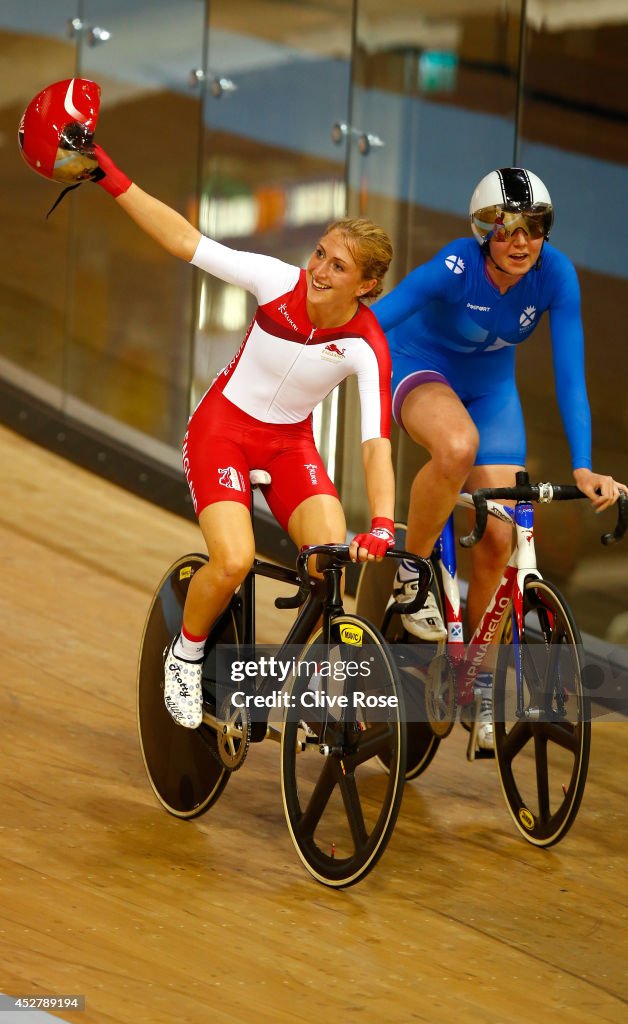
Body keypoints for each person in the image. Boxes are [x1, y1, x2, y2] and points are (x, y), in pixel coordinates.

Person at [87, 146, 398, 728]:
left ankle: (315, 688)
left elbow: (375, 443)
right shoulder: (276, 281)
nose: (318, 271)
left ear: (368, 285)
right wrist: (107, 172)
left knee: (329, 564)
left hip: (289, 447)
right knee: (234, 561)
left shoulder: (366, 345)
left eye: (338, 267)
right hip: (222, 432)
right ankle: (185, 652)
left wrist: (382, 521)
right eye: (320, 254)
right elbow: (184, 242)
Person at [372, 166, 625, 750]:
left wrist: (582, 464)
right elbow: (375, 324)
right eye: (507, 230)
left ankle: (476, 674)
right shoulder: (455, 266)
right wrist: (315, 362)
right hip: (419, 366)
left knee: (499, 538)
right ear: (484, 231)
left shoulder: (556, 276)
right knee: (457, 447)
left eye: (533, 230)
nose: (521, 243)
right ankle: (412, 573)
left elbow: (570, 378)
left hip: (491, 392)